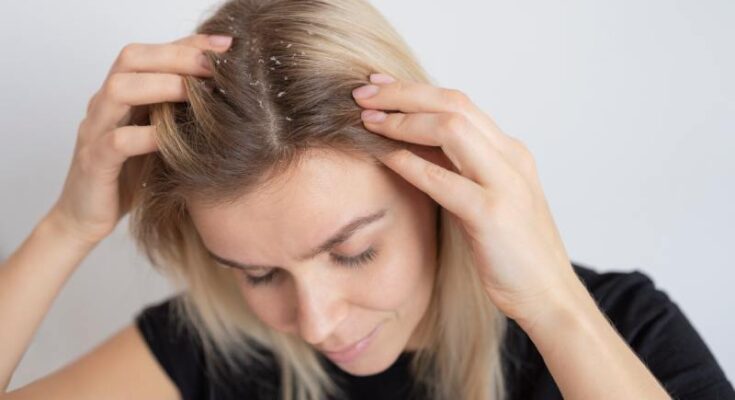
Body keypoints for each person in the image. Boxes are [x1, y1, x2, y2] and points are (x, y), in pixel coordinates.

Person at [0, 0, 733, 399]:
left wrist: (553, 308)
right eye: (255, 274)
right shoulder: (210, 351)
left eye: (353, 251)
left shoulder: (621, 332)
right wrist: (68, 228)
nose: (314, 322)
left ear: (435, 180)